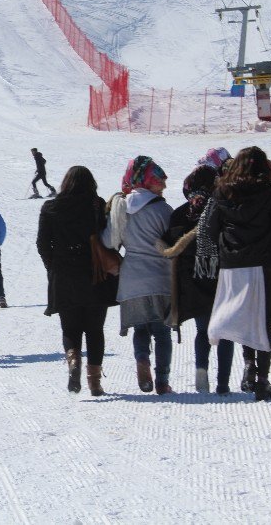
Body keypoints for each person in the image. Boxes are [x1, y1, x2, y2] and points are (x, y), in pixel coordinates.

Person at [200, 146, 271, 401]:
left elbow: (211, 229)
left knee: (245, 312)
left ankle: (248, 364)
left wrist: (227, 245)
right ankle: (262, 380)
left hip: (233, 262)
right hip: (265, 261)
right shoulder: (270, 190)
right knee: (264, 316)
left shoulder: (221, 191)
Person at [38, 166, 117, 396]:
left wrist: (53, 266)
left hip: (63, 275)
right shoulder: (96, 205)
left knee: (70, 328)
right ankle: (95, 382)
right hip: (95, 274)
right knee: (95, 329)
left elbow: (42, 244)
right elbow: (109, 239)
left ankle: (73, 363)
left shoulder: (50, 207)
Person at [160, 164, 235, 395]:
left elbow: (167, 244)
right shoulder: (223, 209)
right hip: (221, 278)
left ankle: (201, 371)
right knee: (225, 333)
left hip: (192, 282)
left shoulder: (180, 213)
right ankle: (223, 383)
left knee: (202, 331)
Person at [104, 156, 174, 394]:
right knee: (162, 332)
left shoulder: (121, 207)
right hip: (160, 277)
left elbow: (108, 241)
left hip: (131, 277)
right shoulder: (164, 210)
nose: (163, 186)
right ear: (147, 181)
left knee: (141, 329)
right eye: (158, 181)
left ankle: (142, 360)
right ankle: (163, 382)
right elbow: (174, 243)